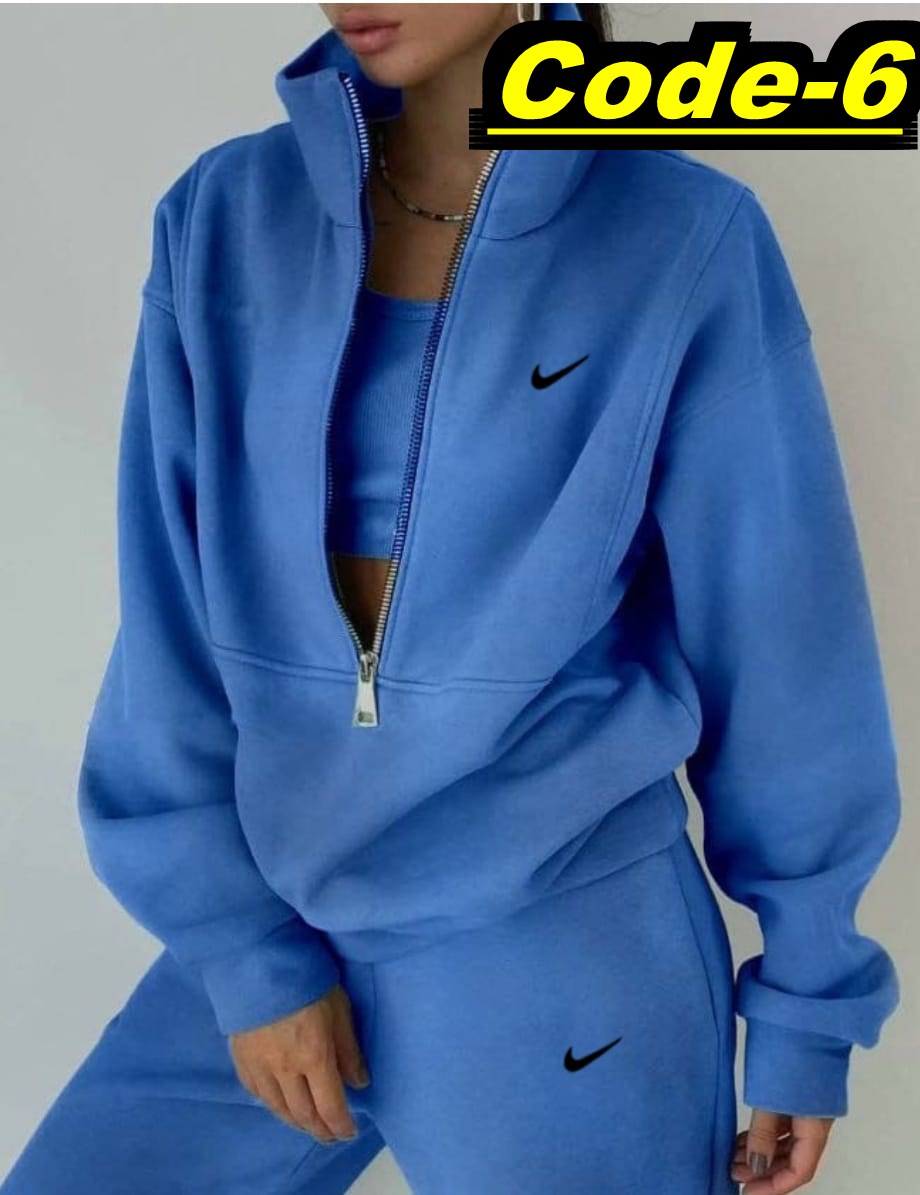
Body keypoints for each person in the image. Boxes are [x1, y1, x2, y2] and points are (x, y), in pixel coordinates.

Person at [2, 4, 902, 1193]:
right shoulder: (224, 218)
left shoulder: (679, 235)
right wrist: (244, 956)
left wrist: (804, 1002)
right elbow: (168, 614)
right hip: (281, 918)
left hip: (560, 948)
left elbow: (781, 634)